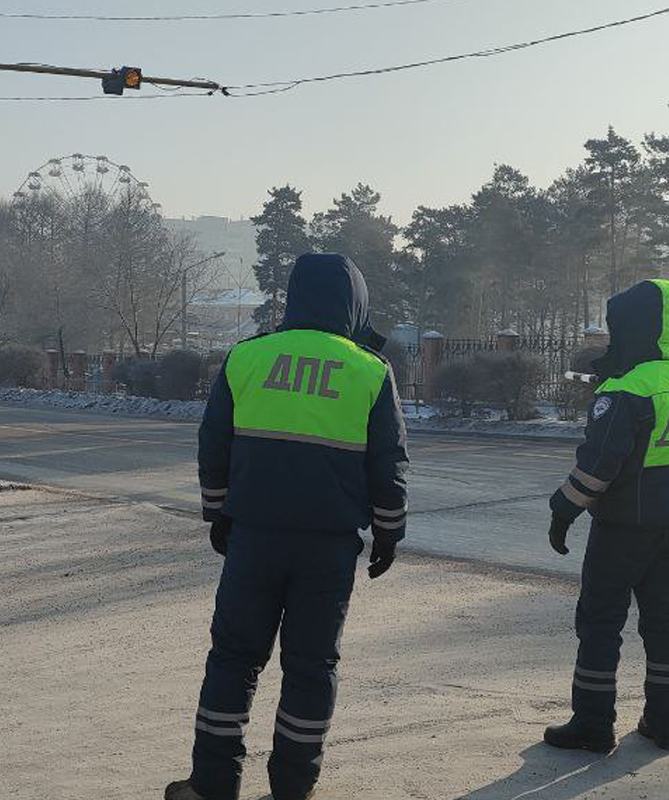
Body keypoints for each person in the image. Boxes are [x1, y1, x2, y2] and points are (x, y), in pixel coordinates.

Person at [165, 253, 410, 800]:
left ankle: (211, 785)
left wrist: (219, 514)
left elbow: (214, 445)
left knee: (233, 658)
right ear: (354, 304)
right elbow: (387, 463)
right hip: (328, 548)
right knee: (311, 666)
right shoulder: (370, 370)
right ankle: (294, 789)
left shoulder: (247, 358)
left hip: (254, 538)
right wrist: (388, 532)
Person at [542, 278, 669, 755]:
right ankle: (665, 723)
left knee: (600, 622)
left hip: (622, 528)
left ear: (632, 327)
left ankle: (593, 725)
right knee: (664, 621)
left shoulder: (626, 387)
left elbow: (599, 466)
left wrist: (562, 511)